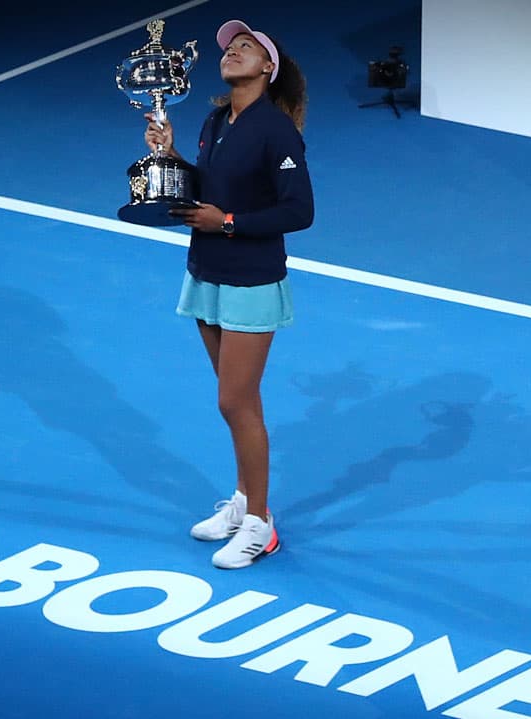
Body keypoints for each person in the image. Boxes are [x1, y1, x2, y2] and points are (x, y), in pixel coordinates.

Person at [146, 19, 313, 569]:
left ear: (269, 68)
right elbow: (210, 189)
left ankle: (262, 526)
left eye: (247, 47)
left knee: (234, 400)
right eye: (229, 48)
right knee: (237, 400)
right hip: (207, 269)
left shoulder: (277, 131)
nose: (233, 52)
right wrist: (170, 158)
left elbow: (300, 211)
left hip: (250, 278)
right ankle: (243, 503)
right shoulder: (216, 119)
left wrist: (230, 223)